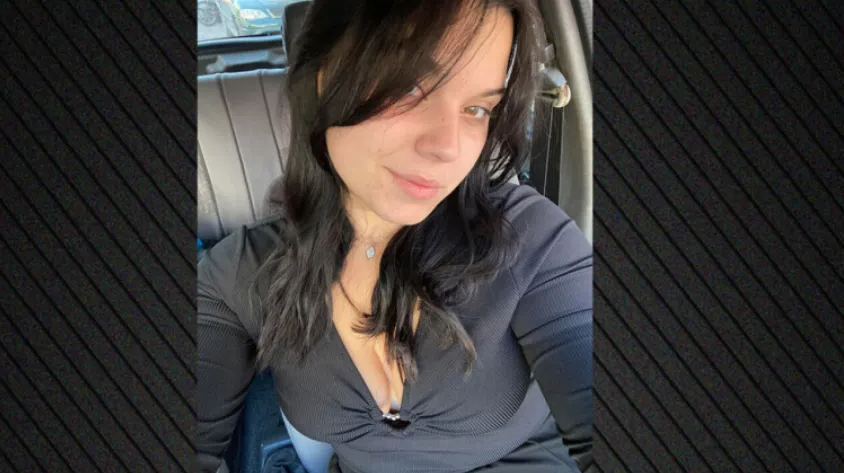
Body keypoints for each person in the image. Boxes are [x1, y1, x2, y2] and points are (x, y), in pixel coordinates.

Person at [197, 0, 593, 472]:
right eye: (410, 87)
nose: (448, 146)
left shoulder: (532, 241)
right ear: (321, 76)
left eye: (477, 108)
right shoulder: (240, 275)